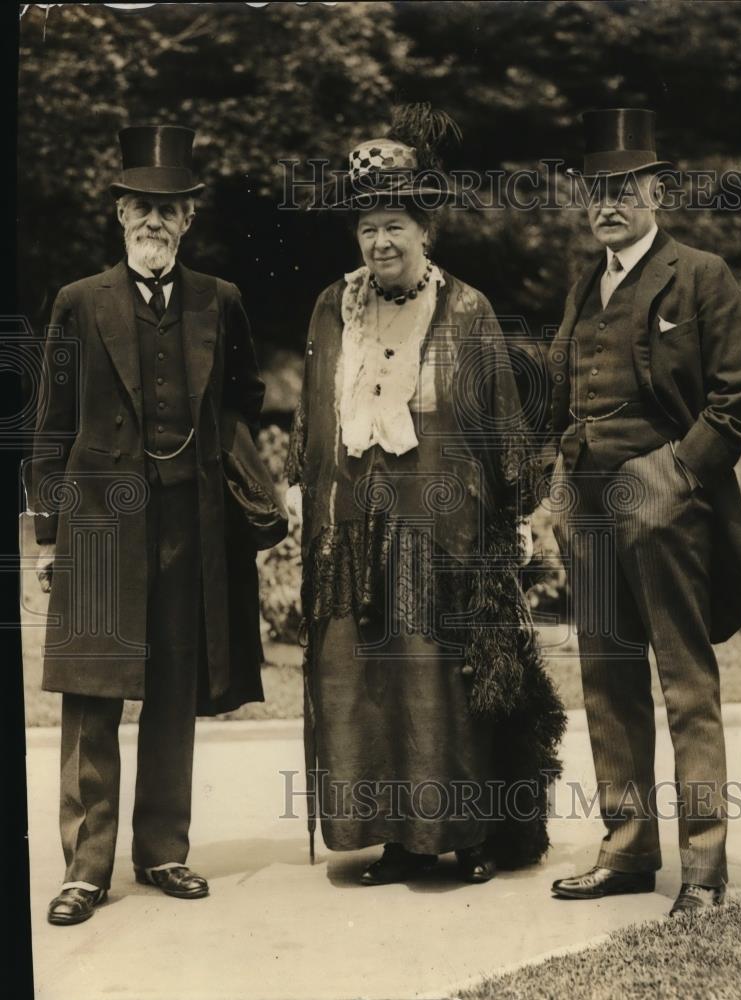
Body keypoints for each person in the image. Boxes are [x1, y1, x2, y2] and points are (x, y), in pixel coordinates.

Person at [286, 105, 565, 887]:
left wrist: (516, 519)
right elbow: (314, 422)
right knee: (371, 685)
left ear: (424, 233)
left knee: (444, 682)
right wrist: (309, 504)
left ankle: (470, 835)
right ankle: (400, 839)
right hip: (356, 542)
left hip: (445, 539)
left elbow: (503, 425)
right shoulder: (331, 310)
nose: (380, 243)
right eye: (369, 228)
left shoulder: (466, 311)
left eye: (395, 228)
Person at [30, 125, 266, 925]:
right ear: (120, 216)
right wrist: (49, 538)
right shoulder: (77, 302)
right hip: (99, 527)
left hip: (187, 524)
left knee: (173, 690)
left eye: (169, 209)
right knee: (92, 698)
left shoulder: (218, 301)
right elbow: (49, 427)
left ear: (188, 220)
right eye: (140, 208)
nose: (154, 222)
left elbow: (245, 397)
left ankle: (163, 850)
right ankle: (84, 869)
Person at [545, 109, 741, 915]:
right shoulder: (587, 282)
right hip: (591, 511)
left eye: (622, 188)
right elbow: (567, 393)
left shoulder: (701, 275)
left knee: (684, 682)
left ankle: (704, 870)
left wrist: (672, 470)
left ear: (655, 192)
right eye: (595, 189)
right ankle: (628, 846)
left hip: (667, 510)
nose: (606, 202)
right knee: (606, 681)